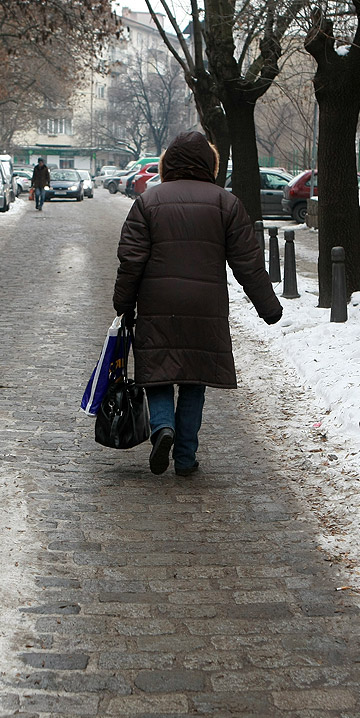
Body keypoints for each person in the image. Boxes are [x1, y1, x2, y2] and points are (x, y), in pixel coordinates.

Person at [113, 131, 283, 476]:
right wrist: (269, 307)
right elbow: (247, 263)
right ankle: (186, 458)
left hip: (157, 303)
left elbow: (131, 260)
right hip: (206, 307)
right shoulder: (226, 203)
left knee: (158, 374)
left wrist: (123, 302)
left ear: (168, 163)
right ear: (210, 164)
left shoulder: (148, 202)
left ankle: (163, 428)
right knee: (193, 381)